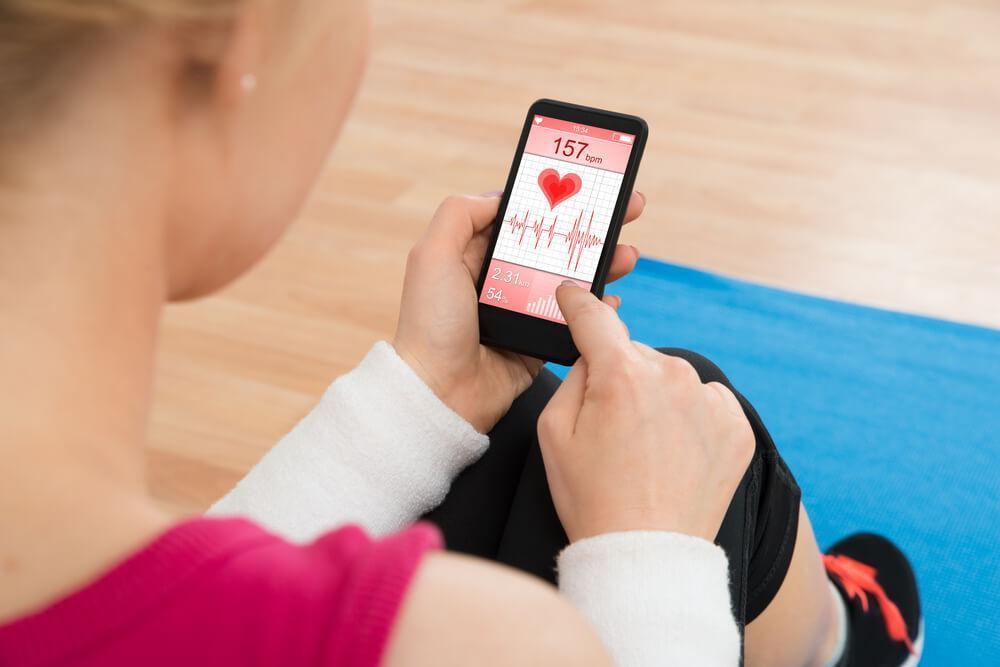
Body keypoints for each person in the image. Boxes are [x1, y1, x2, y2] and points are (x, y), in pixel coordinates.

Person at [0, 0, 922, 666]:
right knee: (684, 416)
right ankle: (837, 645)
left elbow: (171, 619)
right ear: (247, 35)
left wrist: (418, 398)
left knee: (527, 433)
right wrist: (654, 558)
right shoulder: (467, 640)